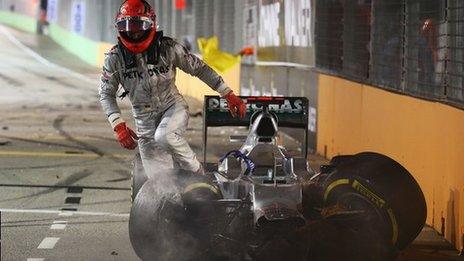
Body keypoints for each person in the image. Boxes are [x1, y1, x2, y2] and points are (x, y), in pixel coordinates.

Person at [99, 0, 246, 175]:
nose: (134, 32)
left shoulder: (169, 48)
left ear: (151, 24)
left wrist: (228, 94)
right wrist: (118, 126)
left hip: (173, 107)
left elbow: (199, 69)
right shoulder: (114, 58)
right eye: (128, 25)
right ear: (119, 27)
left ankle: (199, 173)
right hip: (144, 123)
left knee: (165, 136)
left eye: (138, 25)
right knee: (161, 183)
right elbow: (106, 94)